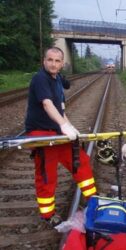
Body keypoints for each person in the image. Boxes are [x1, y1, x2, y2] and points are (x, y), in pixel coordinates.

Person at [24, 47, 97, 227]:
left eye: (57, 61)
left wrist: (69, 126)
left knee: (80, 161)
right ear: (44, 61)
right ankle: (48, 214)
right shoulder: (40, 78)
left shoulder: (56, 81)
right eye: (50, 60)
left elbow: (59, 110)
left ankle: (92, 200)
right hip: (40, 132)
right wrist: (64, 126)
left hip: (56, 132)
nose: (53, 64)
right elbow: (48, 104)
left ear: (62, 63)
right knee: (47, 174)